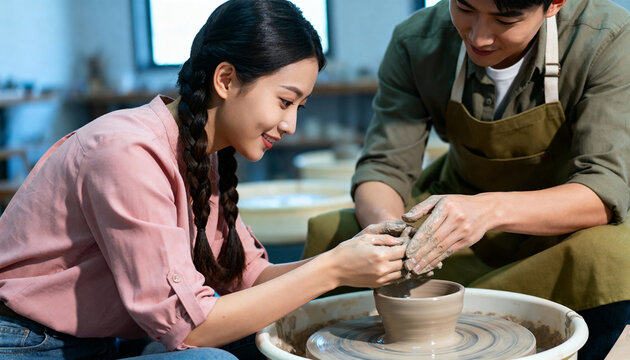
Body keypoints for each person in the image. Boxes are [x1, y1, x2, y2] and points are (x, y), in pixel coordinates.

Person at [0, 1, 409, 358]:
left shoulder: (199, 152)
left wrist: (350, 257)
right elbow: (188, 328)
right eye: (285, 101)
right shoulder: (127, 152)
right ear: (226, 79)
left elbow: (247, 279)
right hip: (30, 342)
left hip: (103, 338)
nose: (291, 124)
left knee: (276, 334)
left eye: (300, 105)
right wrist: (333, 270)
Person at [303, 0, 630, 358]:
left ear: (554, 3)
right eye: (464, 7)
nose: (479, 36)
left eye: (505, 19)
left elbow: (602, 187)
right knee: (333, 233)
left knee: (612, 255)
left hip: (560, 228)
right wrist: (391, 236)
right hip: (454, 212)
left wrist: (487, 211)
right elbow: (384, 168)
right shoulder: (418, 40)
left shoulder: (606, 37)